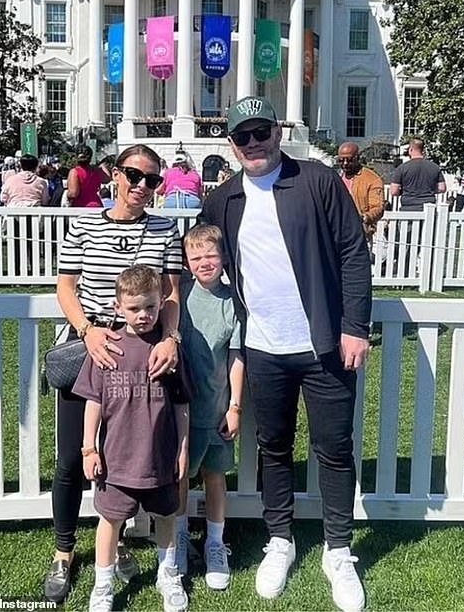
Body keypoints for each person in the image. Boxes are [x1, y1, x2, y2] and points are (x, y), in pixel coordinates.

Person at [200, 96, 371, 611]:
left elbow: (352, 253)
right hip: (263, 348)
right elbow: (202, 260)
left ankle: (338, 550)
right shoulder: (223, 200)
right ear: (232, 144)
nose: (254, 144)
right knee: (273, 446)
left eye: (262, 133)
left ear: (278, 132)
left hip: (324, 344)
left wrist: (355, 326)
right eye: (243, 136)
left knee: (333, 448)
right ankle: (281, 539)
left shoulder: (317, 181)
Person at [45, 144, 183, 604]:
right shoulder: (83, 223)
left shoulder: (164, 228)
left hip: (144, 351)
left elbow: (170, 295)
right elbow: (66, 285)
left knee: (131, 450)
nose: (141, 186)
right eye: (133, 175)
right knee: (73, 458)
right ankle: (64, 552)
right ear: (114, 175)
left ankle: (118, 538)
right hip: (94, 346)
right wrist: (87, 331)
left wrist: (170, 338)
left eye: (151, 180)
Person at [73, 265, 190, 612]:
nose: (143, 315)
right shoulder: (107, 348)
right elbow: (93, 401)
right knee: (110, 521)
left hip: (160, 456)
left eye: (151, 307)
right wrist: (89, 448)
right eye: (135, 308)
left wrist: (182, 449)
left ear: (160, 304)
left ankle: (168, 575)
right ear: (117, 307)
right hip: (116, 460)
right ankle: (103, 585)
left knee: (166, 517)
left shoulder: (168, 351)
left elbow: (183, 404)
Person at [175, 224, 244, 590]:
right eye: (196, 257)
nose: (204, 262)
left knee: (216, 477)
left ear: (223, 258)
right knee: (182, 476)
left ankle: (216, 543)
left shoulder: (234, 302)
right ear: (187, 261)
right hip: (183, 410)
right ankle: (181, 537)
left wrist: (234, 406)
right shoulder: (179, 298)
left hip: (217, 408)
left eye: (211, 255)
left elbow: (236, 357)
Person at [0, 154, 49, 275]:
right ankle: (34, 272)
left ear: (20, 165)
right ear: (36, 166)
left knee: (15, 245)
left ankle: (15, 272)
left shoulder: (10, 180)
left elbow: (3, 198)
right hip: (33, 216)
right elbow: (45, 200)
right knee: (33, 245)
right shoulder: (41, 182)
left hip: (14, 215)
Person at [337, 142, 385, 251]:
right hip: (336, 234)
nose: (345, 163)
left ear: (358, 158)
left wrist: (364, 218)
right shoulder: (335, 177)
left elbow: (378, 208)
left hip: (360, 235)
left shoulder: (372, 179)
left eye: (349, 160)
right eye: (341, 160)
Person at [389, 137, 446, 210]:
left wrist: (403, 192)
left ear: (411, 149)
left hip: (408, 209)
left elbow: (394, 191)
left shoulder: (402, 168)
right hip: (429, 209)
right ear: (422, 150)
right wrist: (430, 190)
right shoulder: (435, 167)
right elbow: (442, 188)